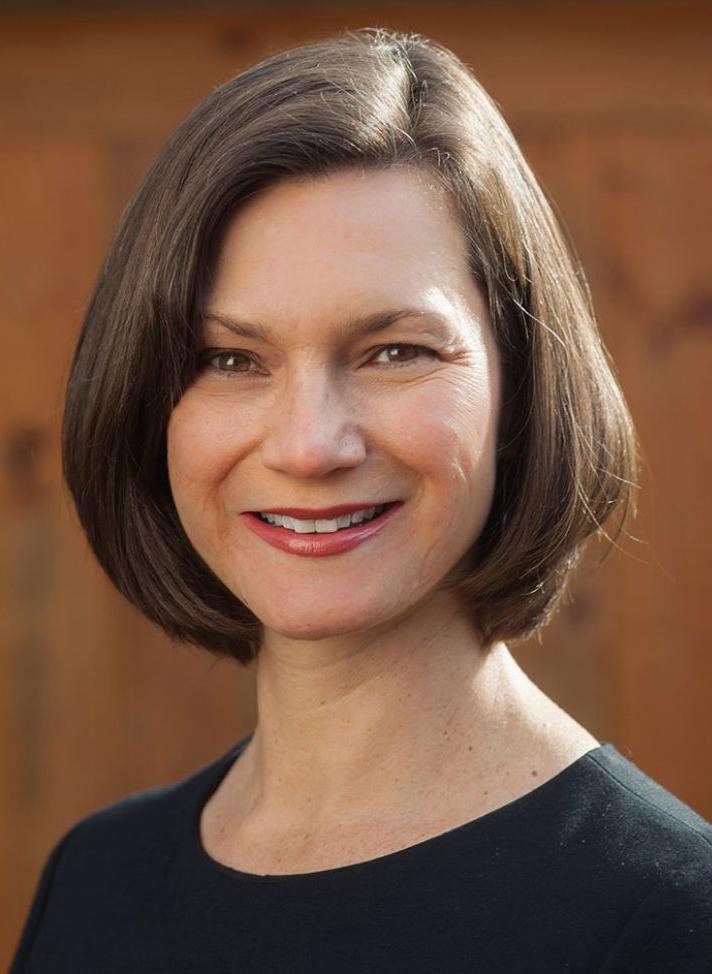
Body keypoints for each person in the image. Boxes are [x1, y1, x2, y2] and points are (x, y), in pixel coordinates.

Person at [10, 28, 712, 974]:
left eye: (395, 352)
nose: (309, 446)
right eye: (231, 360)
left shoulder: (669, 916)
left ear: (521, 387)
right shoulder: (97, 880)